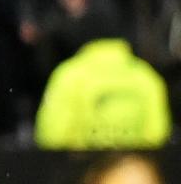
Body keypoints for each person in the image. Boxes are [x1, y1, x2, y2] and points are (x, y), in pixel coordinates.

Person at [35, 28, 171, 150]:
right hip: (134, 171)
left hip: (82, 172)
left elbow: (52, 136)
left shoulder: (67, 76)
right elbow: (158, 134)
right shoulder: (146, 76)